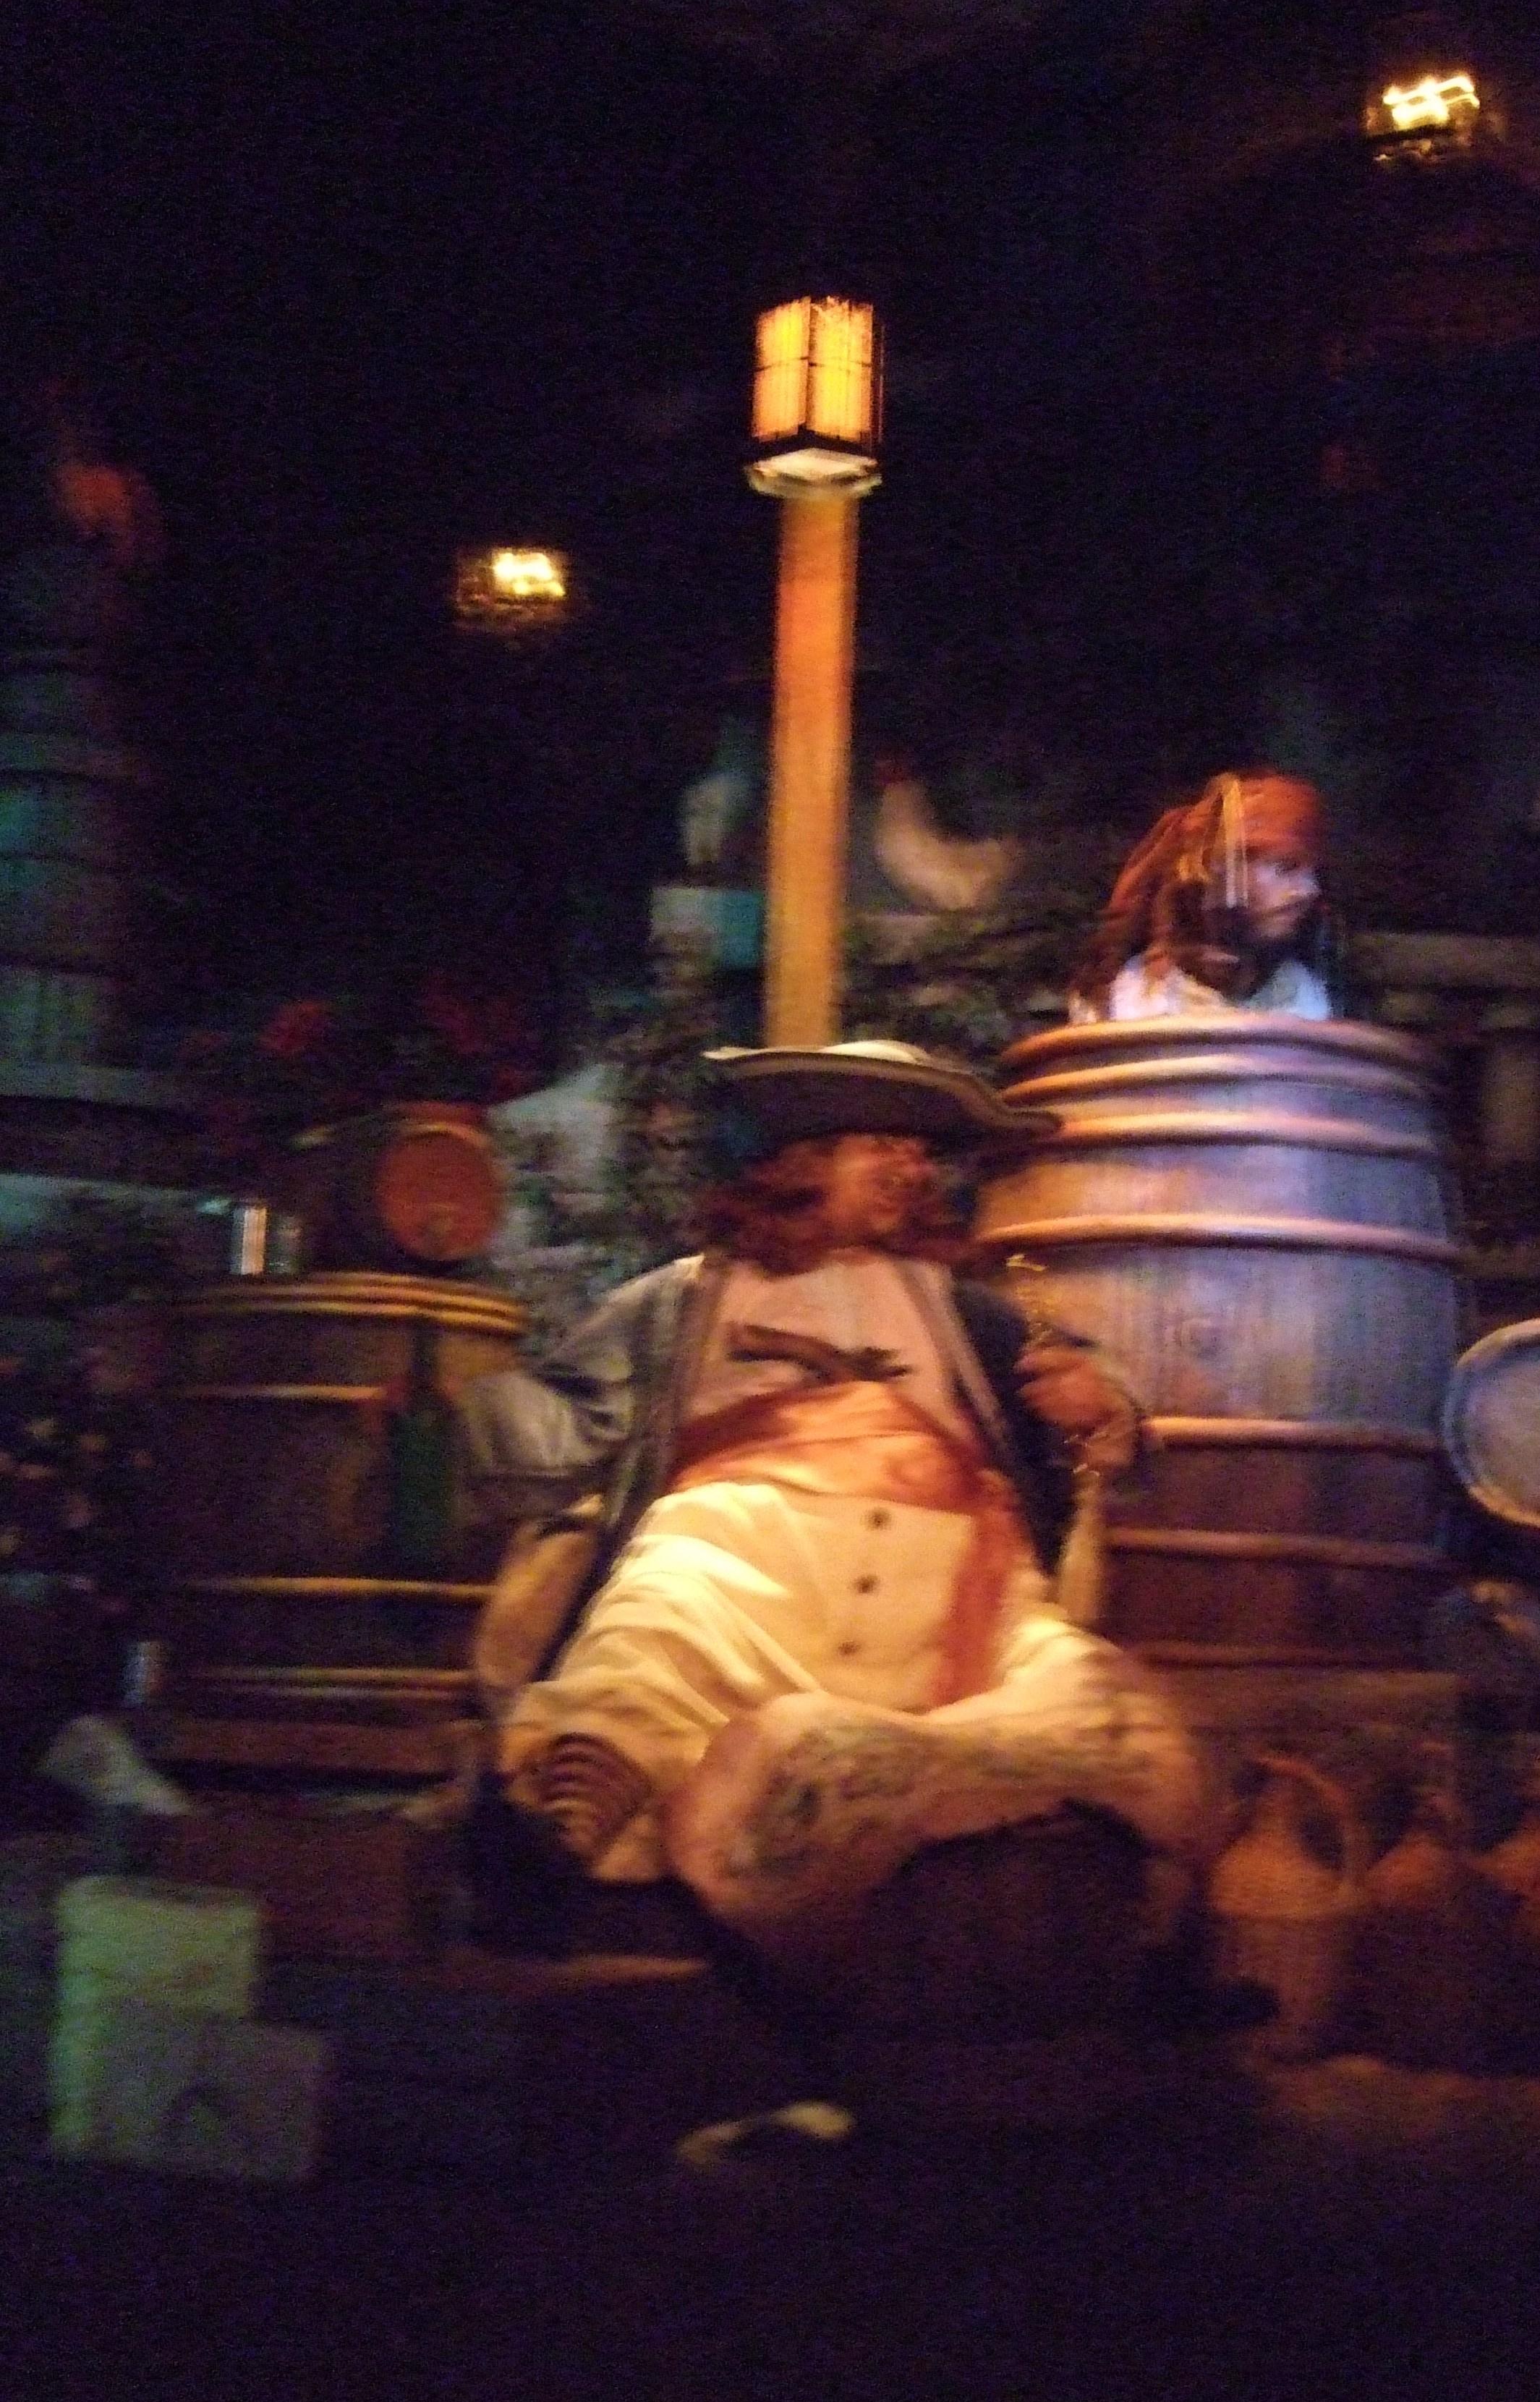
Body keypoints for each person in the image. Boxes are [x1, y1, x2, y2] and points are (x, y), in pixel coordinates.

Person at [459, 1040, 1219, 1980]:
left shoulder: (965, 1309)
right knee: (652, 1642)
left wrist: (1103, 1406)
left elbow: (1092, 1389)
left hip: (952, 1579)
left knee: (1076, 1691)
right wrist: (464, 1397)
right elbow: (561, 1422)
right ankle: (558, 1852)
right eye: (881, 1147)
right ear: (802, 1159)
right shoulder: (683, 1299)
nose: (912, 1170)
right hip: (740, 1546)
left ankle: (1116, 1937)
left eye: (919, 1153)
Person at [1068, 770, 1336, 1022]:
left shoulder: (1301, 993)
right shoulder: (1132, 996)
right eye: (1287, 867)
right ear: (1218, 870)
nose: (1309, 890)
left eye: (1313, 872)